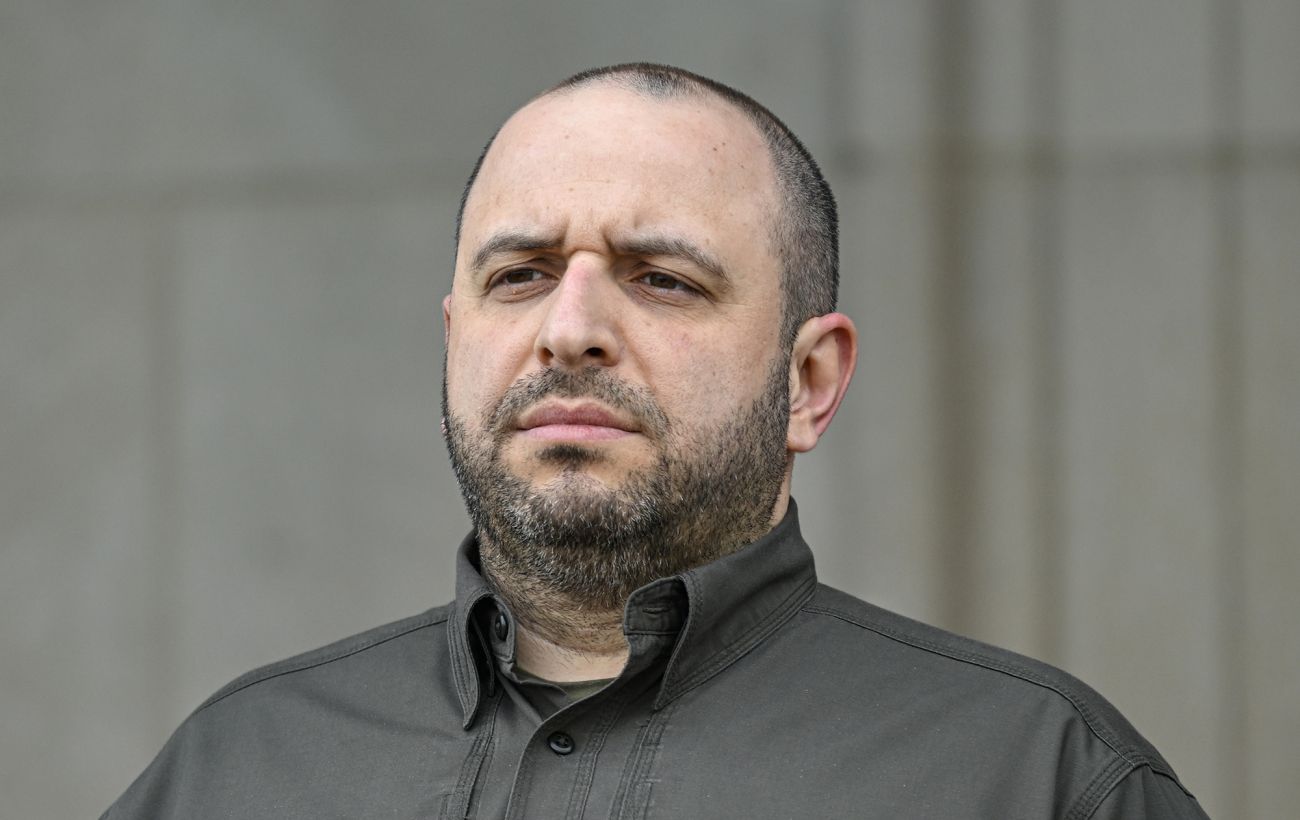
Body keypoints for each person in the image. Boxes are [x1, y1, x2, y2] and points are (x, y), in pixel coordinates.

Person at [103, 63, 1210, 819]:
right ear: (453, 339)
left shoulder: (1036, 779)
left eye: (663, 279)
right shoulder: (234, 770)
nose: (569, 328)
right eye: (520, 275)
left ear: (809, 381)